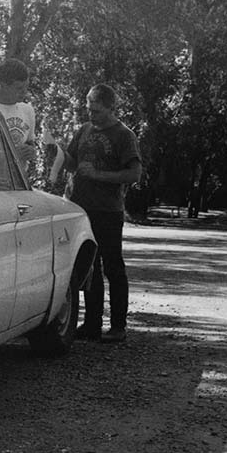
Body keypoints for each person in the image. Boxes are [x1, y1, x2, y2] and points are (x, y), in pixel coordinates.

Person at [60, 84, 142, 344]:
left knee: (113, 266)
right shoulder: (83, 130)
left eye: (96, 110)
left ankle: (118, 325)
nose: (91, 114)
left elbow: (134, 174)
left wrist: (99, 175)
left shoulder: (124, 136)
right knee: (88, 267)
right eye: (88, 109)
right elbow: (72, 162)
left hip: (107, 210)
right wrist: (58, 153)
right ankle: (91, 323)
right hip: (80, 208)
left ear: (110, 107)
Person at [0, 57, 37, 177]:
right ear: (3, 84)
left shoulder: (27, 110)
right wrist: (12, 155)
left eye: (26, 86)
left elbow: (30, 141)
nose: (24, 91)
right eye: (18, 88)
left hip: (20, 180)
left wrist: (31, 151)